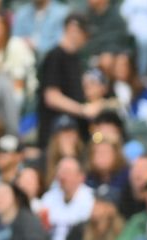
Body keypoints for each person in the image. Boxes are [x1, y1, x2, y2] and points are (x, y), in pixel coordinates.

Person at [36, 13, 94, 149]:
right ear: (72, 29)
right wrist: (83, 110)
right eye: (83, 32)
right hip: (56, 134)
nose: (86, 38)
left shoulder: (76, 59)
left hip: (74, 132)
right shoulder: (55, 56)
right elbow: (52, 97)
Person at [40, 156, 95, 240]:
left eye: (67, 172)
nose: (62, 177)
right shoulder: (48, 198)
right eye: (60, 172)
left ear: (81, 176)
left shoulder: (91, 198)